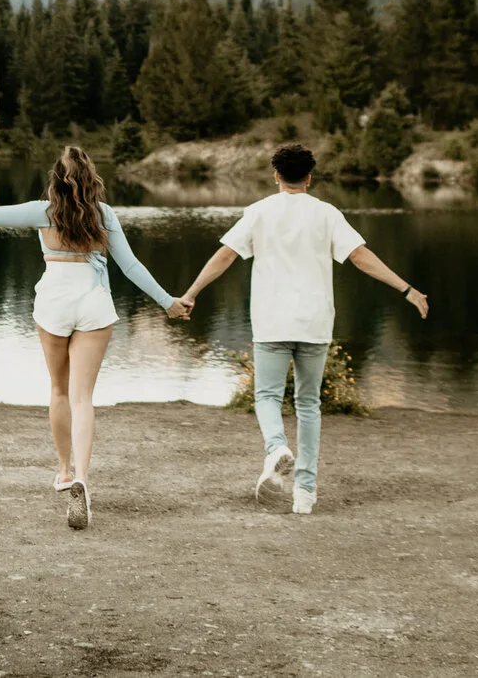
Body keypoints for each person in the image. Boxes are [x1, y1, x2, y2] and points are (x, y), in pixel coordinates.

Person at [0, 145, 185, 530]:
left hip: (54, 305)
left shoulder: (43, 210)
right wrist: (167, 302)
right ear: (90, 179)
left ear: (55, 179)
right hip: (93, 306)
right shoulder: (104, 215)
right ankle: (83, 475)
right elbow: (130, 265)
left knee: (59, 391)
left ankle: (65, 472)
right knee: (84, 398)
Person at [174, 142, 427, 515]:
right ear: (310, 177)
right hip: (314, 322)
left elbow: (225, 255)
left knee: (268, 397)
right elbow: (361, 257)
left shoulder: (258, 213)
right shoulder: (327, 214)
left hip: (272, 322)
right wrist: (407, 289)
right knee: (309, 405)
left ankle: (276, 447)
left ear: (276, 175)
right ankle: (305, 493)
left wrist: (191, 293)